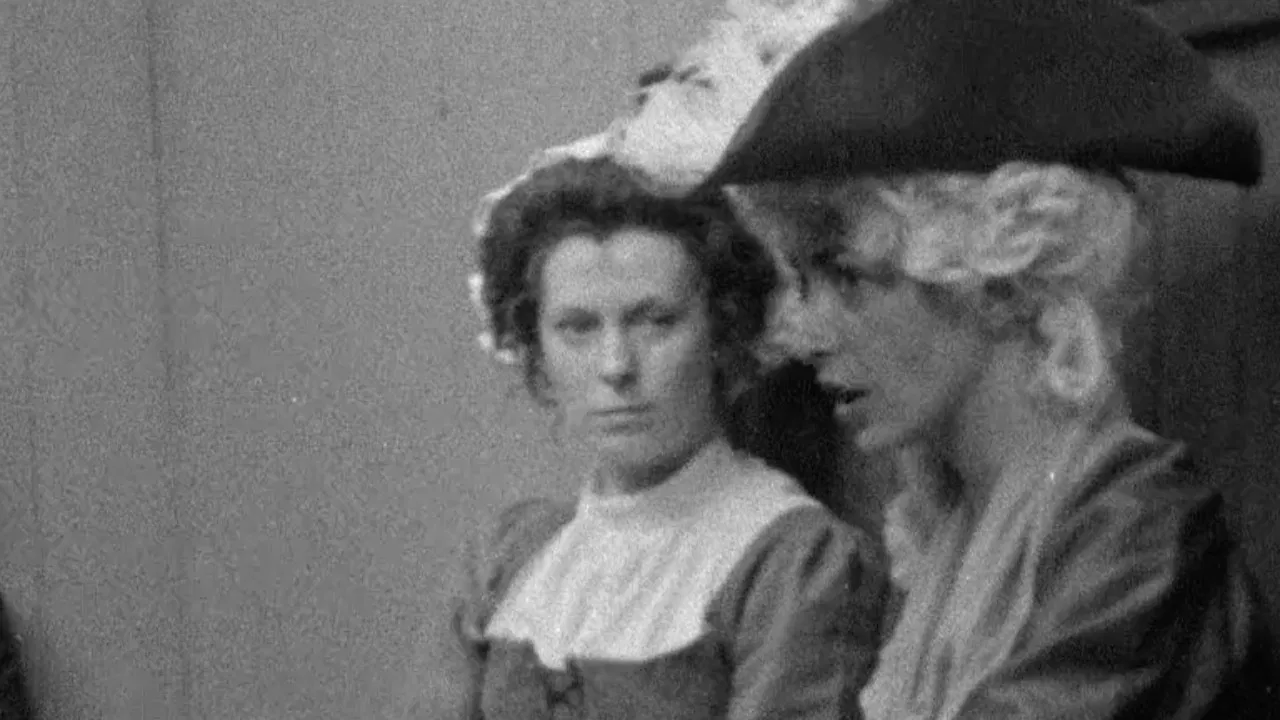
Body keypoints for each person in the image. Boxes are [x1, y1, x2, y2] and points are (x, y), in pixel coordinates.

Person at [608, 0, 1277, 717]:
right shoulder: (950, 537)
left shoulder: (1135, 529)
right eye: (804, 280)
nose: (809, 334)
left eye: (847, 275)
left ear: (991, 280)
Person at [436, 142, 888, 720]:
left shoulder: (792, 559)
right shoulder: (506, 560)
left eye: (655, 321)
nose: (616, 366)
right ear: (537, 353)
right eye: (577, 328)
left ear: (723, 333)